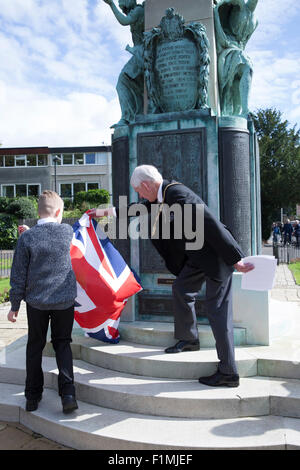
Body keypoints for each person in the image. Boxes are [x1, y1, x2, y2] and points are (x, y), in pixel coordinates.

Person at [87, 165, 255, 388]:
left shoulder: (177, 194)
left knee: (218, 314)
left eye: (138, 190)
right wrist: (103, 212)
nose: (139, 194)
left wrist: (235, 259)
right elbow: (137, 208)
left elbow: (210, 222)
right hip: (198, 256)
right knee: (181, 289)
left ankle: (228, 373)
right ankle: (189, 339)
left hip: (216, 257)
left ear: (146, 185)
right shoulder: (162, 195)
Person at [8, 190, 78, 414]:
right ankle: (68, 394)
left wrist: (15, 305)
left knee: (34, 347)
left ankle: (32, 396)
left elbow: (18, 274)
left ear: (38, 212)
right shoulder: (67, 231)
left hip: (37, 302)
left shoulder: (27, 238)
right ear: (59, 212)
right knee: (63, 345)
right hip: (64, 301)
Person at [102, 0, 145, 127]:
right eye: (120, 6)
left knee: (123, 81)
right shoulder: (136, 11)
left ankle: (127, 117)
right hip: (140, 52)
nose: (122, 9)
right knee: (131, 83)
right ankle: (136, 114)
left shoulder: (138, 11)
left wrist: (111, 4)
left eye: (123, 5)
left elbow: (124, 21)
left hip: (142, 52)